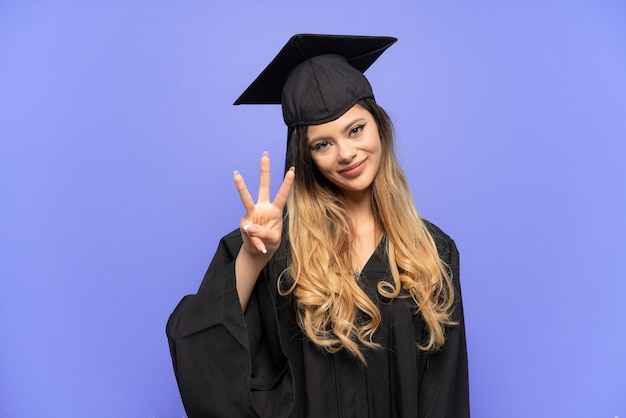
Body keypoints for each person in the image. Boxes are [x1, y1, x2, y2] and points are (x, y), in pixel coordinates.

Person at [166, 34, 470, 418]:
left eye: (355, 129)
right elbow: (199, 349)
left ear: (379, 127)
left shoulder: (433, 251)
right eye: (322, 144)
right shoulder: (278, 250)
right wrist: (252, 255)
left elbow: (446, 395)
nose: (346, 153)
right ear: (306, 156)